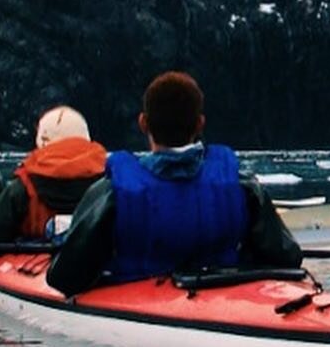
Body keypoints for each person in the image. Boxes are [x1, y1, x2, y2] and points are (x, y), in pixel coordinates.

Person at [47, 71, 301, 296]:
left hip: (137, 301)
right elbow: (287, 257)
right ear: (200, 123)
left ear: (143, 123)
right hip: (221, 294)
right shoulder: (242, 187)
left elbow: (64, 279)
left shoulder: (112, 192)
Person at [0, 106, 108, 266]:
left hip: (35, 268)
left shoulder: (22, 187)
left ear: (42, 140)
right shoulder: (109, 181)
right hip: (97, 270)